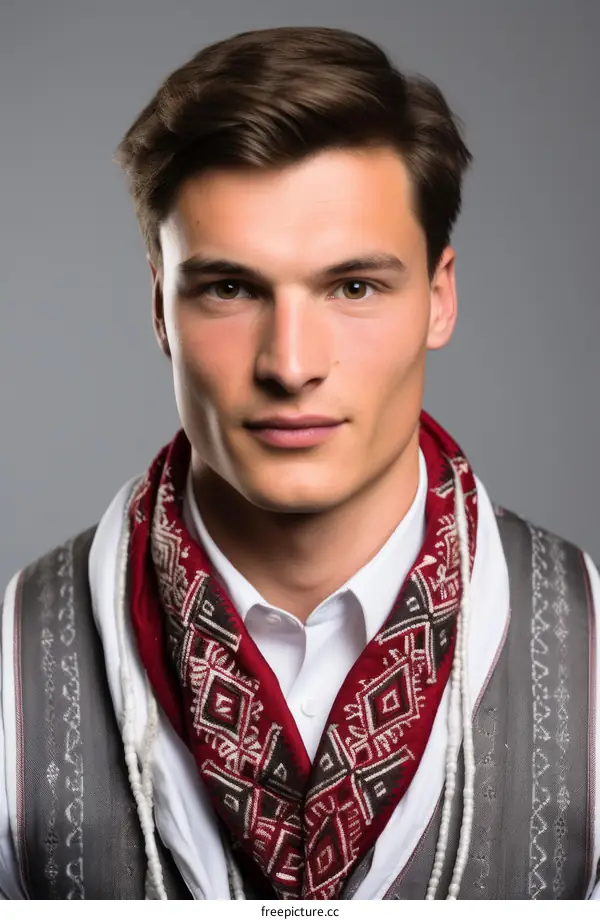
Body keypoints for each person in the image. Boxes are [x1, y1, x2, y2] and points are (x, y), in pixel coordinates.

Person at [1, 25, 598, 901]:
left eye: (354, 287)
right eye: (229, 289)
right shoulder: (14, 668)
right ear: (160, 311)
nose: (290, 363)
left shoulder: (591, 654)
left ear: (438, 298)